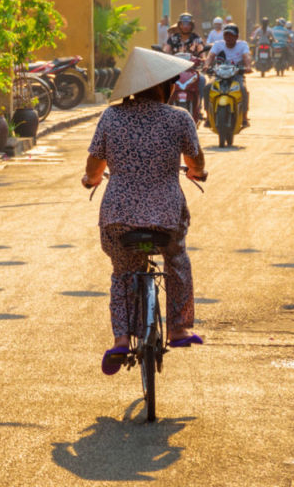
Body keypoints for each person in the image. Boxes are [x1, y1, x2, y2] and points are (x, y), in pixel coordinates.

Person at [82, 47, 208, 375]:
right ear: (166, 88)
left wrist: (91, 179)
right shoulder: (179, 118)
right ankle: (179, 328)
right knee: (177, 259)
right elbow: (196, 161)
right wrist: (195, 172)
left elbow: (95, 164)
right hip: (165, 218)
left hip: (118, 218)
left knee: (124, 274)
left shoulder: (111, 116)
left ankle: (122, 339)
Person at [203, 23, 252, 127]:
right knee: (207, 87)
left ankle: (244, 116)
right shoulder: (218, 44)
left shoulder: (242, 45)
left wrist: (248, 66)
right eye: (226, 35)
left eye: (231, 35)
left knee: (243, 89)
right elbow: (210, 56)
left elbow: (246, 56)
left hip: (236, 75)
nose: (228, 37)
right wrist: (207, 65)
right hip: (219, 75)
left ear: (236, 37)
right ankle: (208, 116)